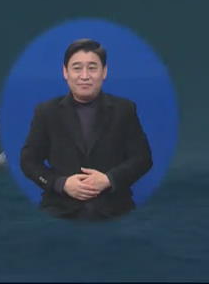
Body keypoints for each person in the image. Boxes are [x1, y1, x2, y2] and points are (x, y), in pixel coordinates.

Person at [20, 38, 153, 220]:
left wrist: (109, 180)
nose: (84, 76)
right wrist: (61, 183)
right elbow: (28, 161)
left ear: (104, 72)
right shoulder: (46, 112)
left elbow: (143, 159)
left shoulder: (125, 109)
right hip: (59, 210)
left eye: (92, 68)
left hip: (115, 210)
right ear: (65, 72)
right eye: (77, 68)